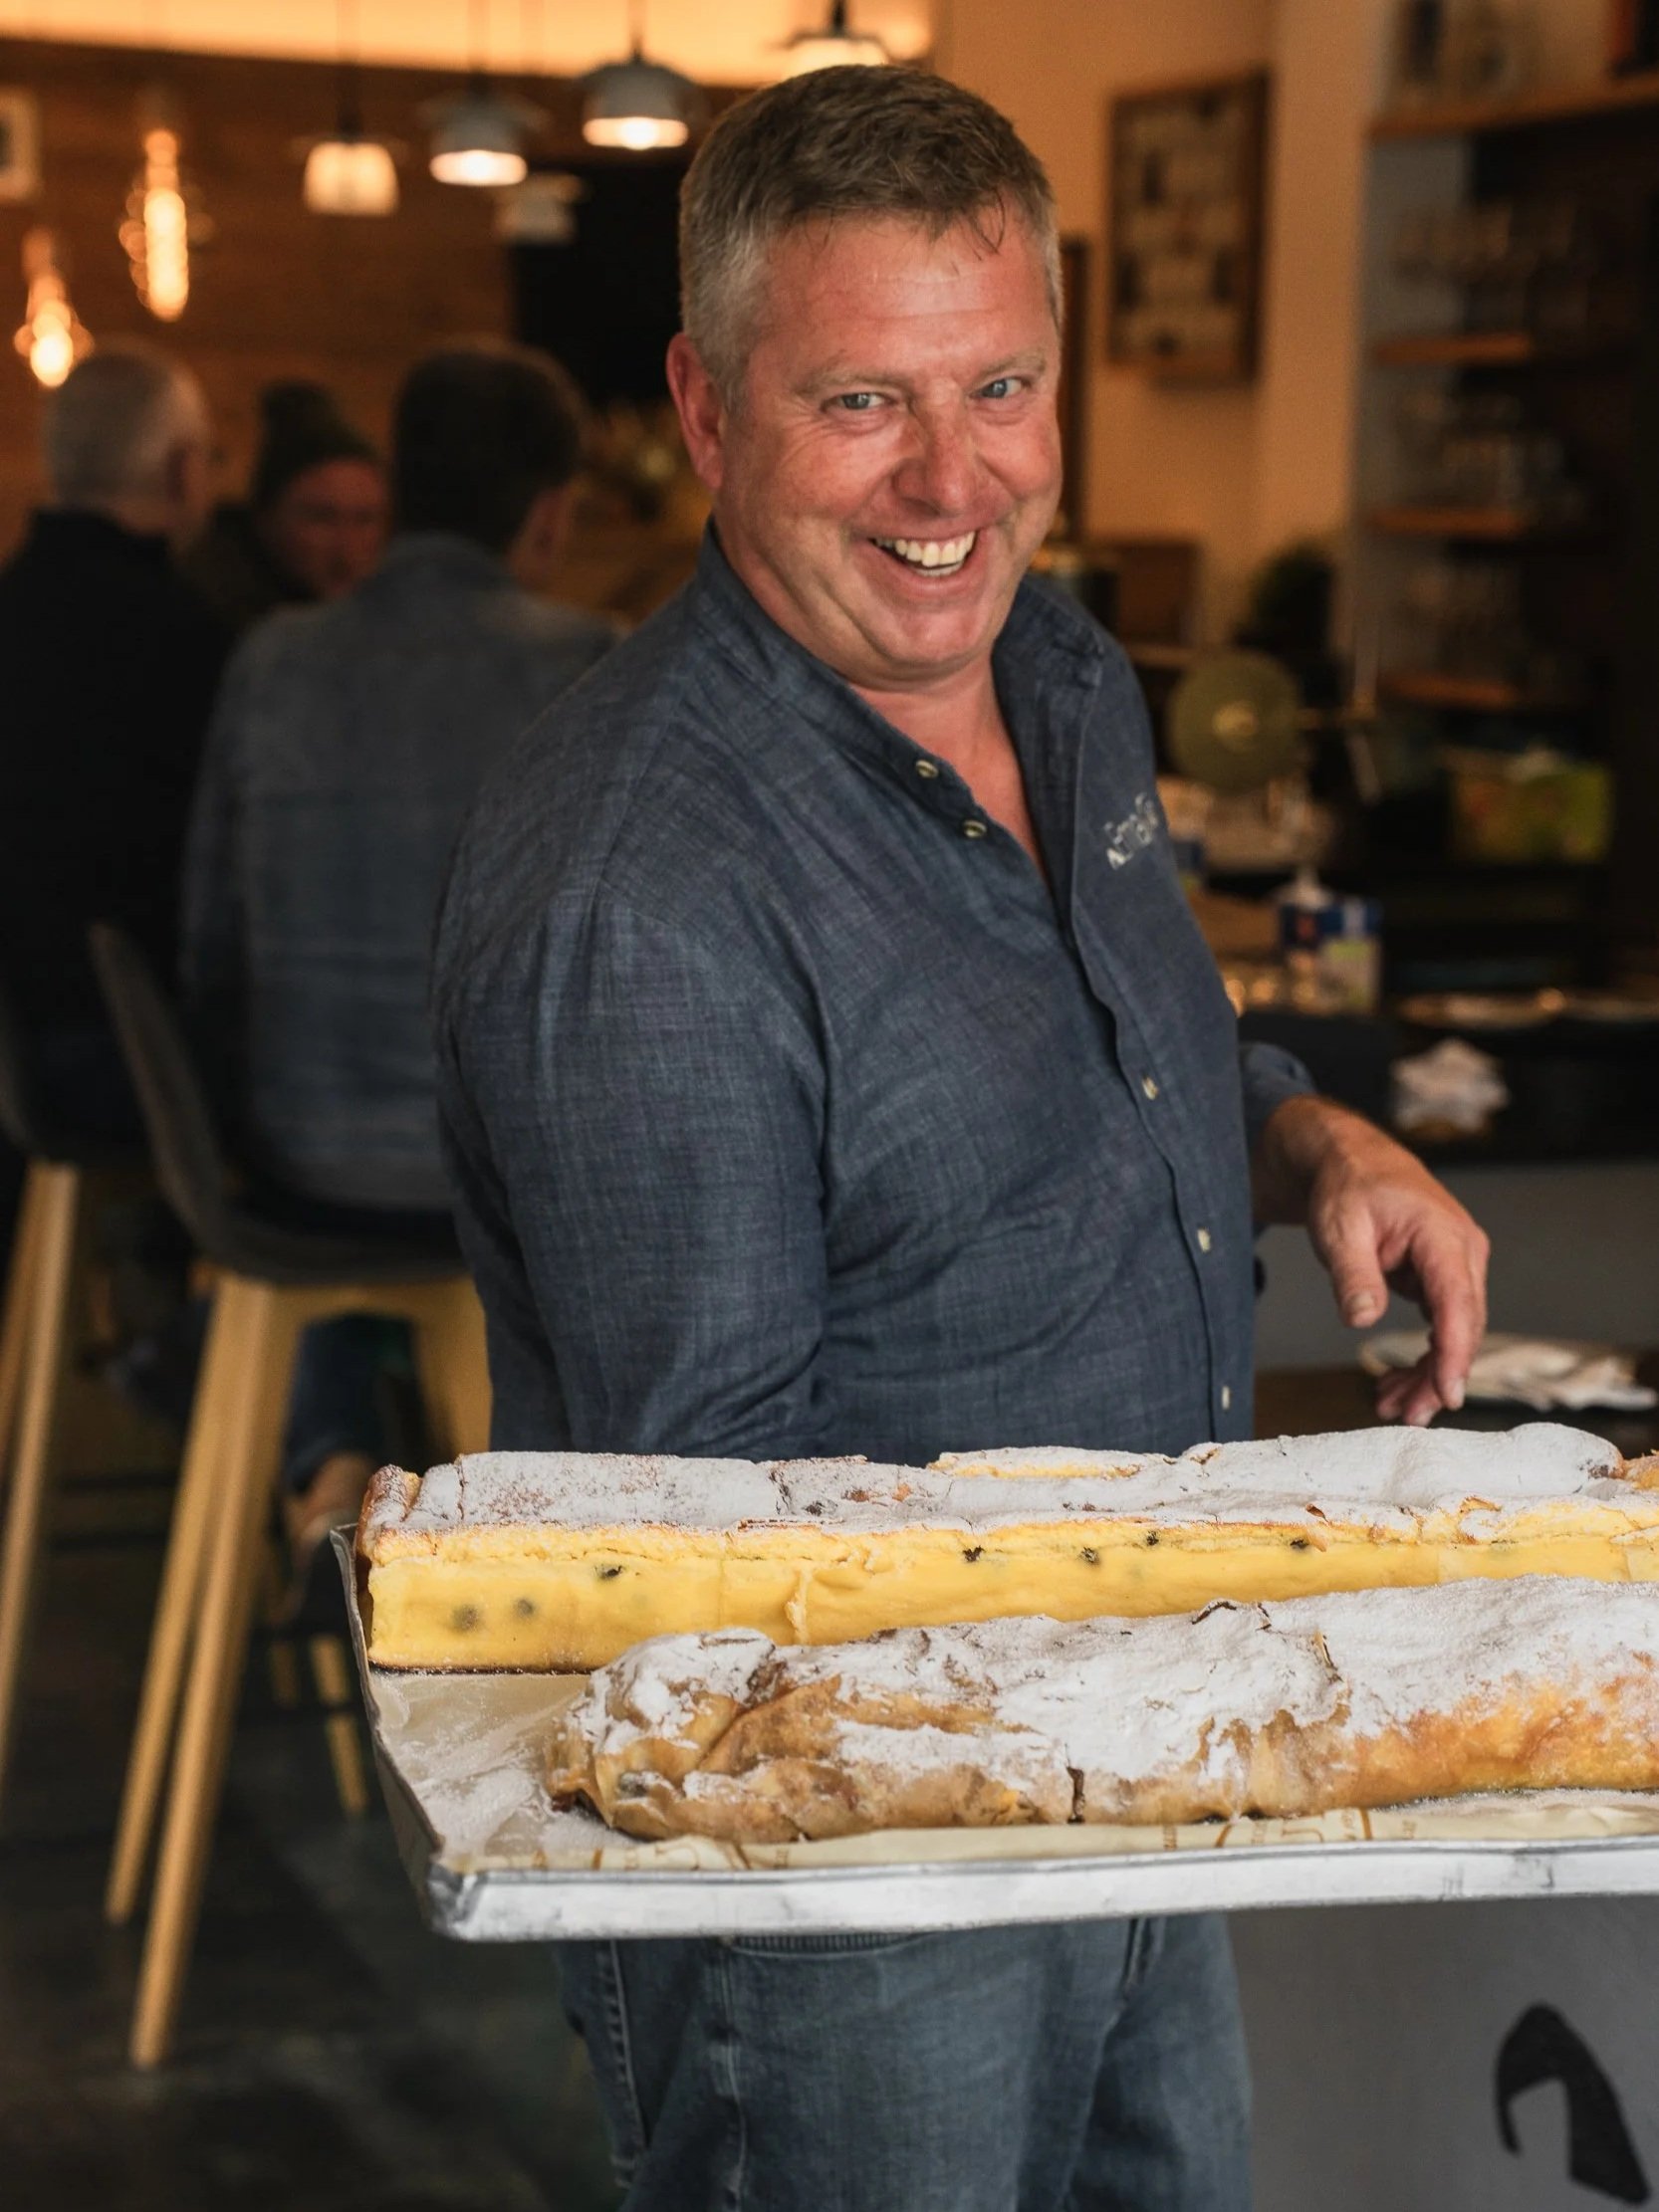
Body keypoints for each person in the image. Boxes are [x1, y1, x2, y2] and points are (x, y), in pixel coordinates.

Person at [430, 69, 1489, 2212]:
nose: (950, 481)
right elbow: (709, 1553)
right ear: (707, 412)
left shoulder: (1063, 669)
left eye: (999, 385)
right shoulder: (642, 886)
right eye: (859, 405)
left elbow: (1118, 1044)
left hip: (1135, 1752)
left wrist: (1303, 1140)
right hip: (863, 1890)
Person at [182, 340, 613, 1552]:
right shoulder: (588, 664)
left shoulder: (270, 659)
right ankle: (536, 1544)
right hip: (504, 1195)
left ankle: (349, 1471)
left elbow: (208, 940)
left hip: (293, 1166)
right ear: (547, 510)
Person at [0, 342, 226, 1141]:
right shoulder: (184, 642)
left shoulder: (12, 608)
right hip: (134, 1063)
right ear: (178, 471)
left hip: (25, 1049)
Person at [183, 378, 386, 630]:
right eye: (321, 518)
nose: (347, 546)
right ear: (265, 517)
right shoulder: (208, 609)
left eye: (365, 519)